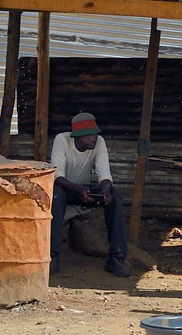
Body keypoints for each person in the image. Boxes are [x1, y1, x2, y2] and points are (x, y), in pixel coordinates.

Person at [49, 112, 131, 278]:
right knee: (56, 195)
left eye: (94, 134)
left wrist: (105, 191)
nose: (93, 138)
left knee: (114, 195)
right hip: (66, 189)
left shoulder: (99, 143)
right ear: (76, 137)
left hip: (83, 191)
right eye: (87, 136)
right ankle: (52, 257)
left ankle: (116, 258)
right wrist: (77, 188)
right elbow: (56, 177)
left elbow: (104, 174)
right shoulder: (62, 140)